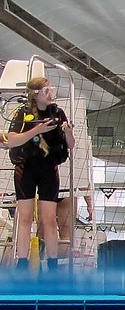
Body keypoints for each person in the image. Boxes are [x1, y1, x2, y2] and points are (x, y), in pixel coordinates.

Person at [6, 77, 75, 272]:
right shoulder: (23, 113)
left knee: (49, 219)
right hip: (25, 169)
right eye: (46, 90)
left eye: (50, 89)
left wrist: (68, 132)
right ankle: (22, 262)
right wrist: (37, 129)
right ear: (35, 94)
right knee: (25, 218)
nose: (51, 92)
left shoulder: (58, 113)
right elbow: (11, 140)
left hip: (48, 170)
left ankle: (52, 265)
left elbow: (71, 145)